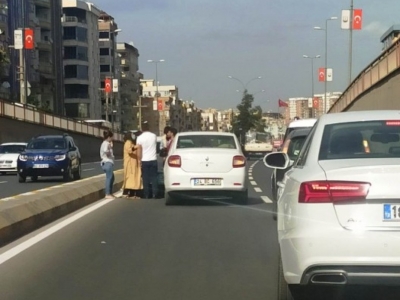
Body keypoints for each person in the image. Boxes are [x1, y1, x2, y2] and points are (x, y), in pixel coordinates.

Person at [136, 121, 159, 199]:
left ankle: (146, 194)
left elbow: (139, 150)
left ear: (142, 129)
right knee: (154, 178)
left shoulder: (139, 138)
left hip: (144, 160)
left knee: (145, 178)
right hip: (153, 159)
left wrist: (139, 160)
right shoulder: (154, 136)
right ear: (149, 128)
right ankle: (155, 194)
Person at [122, 132, 143, 199]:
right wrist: (135, 147)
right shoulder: (128, 142)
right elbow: (129, 151)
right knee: (129, 178)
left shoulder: (131, 143)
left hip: (133, 163)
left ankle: (132, 192)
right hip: (129, 164)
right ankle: (127, 192)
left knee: (133, 178)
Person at [100, 130, 115, 199]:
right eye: (112, 137)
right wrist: (110, 147)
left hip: (107, 162)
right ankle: (107, 193)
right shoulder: (106, 143)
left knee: (112, 177)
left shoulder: (104, 143)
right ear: (109, 137)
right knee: (109, 178)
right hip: (107, 162)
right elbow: (107, 152)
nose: (112, 139)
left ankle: (110, 192)